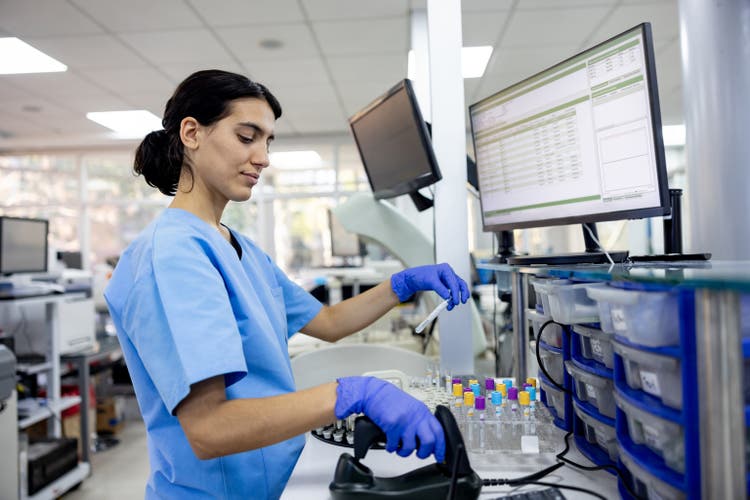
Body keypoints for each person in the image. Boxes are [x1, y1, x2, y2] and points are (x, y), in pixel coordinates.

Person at [103, 69, 470, 500]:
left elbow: (328, 320)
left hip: (269, 483)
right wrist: (353, 394)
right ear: (191, 133)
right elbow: (208, 428)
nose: (263, 158)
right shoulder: (173, 255)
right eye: (246, 137)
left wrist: (402, 284)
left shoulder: (233, 245)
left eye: (267, 142)